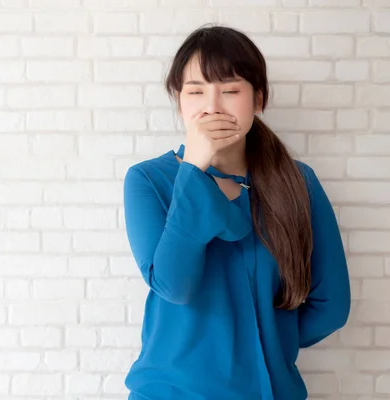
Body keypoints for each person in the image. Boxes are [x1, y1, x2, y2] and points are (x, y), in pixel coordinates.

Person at [122, 25, 351, 400]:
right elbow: (174, 286)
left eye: (230, 90)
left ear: (258, 99)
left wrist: (267, 340)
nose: (212, 106)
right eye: (195, 91)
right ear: (178, 101)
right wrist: (193, 169)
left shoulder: (297, 182)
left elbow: (332, 305)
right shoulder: (148, 180)